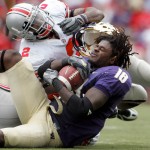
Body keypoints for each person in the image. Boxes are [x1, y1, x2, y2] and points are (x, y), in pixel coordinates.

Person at [0, 23, 133, 148]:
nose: (95, 48)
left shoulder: (115, 75)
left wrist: (55, 82)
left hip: (56, 130)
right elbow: (42, 71)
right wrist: (66, 60)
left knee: (2, 137)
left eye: (102, 49)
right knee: (10, 57)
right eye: (97, 46)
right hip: (43, 106)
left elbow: (82, 108)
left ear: (113, 58)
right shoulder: (87, 62)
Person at [0, 0, 104, 128]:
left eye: (37, 17)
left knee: (102, 35)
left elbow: (98, 14)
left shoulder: (52, 8)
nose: (40, 23)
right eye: (33, 26)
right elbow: (40, 88)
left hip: (88, 55)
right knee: (69, 74)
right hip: (65, 81)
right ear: (25, 35)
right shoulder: (31, 55)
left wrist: (81, 18)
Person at [70, 22, 148, 120]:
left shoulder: (127, 60)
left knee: (139, 92)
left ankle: (113, 107)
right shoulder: (81, 58)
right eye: (91, 38)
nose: (95, 46)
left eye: (99, 39)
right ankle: (110, 108)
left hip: (105, 88)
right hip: (83, 103)